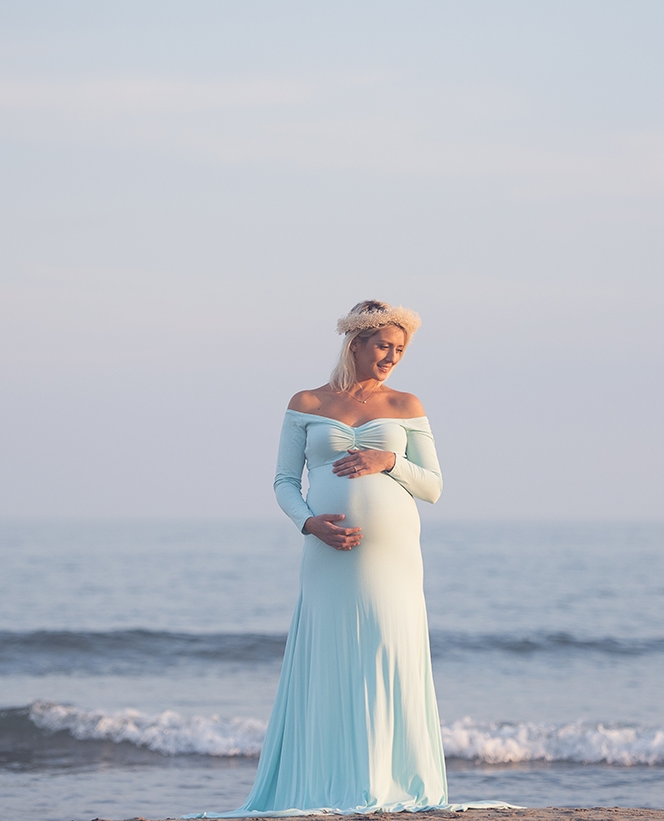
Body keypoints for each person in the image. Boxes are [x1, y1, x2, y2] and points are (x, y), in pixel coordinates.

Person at [191, 301, 510, 817]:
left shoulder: (406, 405)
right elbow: (283, 482)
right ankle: (329, 779)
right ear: (355, 343)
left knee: (388, 653)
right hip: (327, 554)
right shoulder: (307, 402)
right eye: (384, 345)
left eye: (400, 349)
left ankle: (390, 780)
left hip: (395, 559)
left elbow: (433, 487)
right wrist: (309, 523)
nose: (392, 356)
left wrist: (390, 460)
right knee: (331, 658)